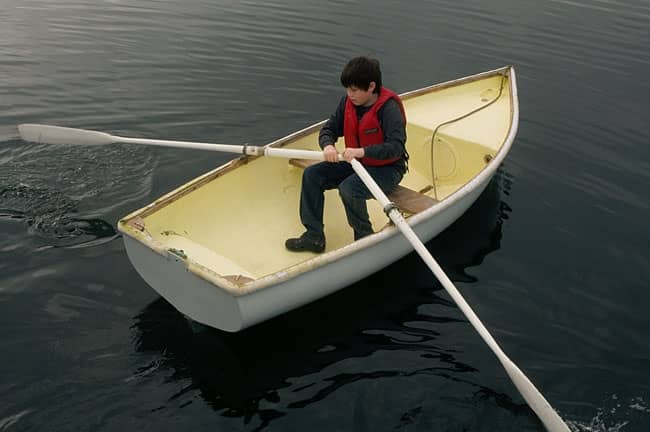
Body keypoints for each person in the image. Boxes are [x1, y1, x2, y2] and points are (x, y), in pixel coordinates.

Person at [285, 56, 408, 253]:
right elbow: (329, 129)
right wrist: (328, 146)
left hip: (387, 168)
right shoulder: (347, 104)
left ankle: (365, 239)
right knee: (312, 175)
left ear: (371, 87)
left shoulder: (388, 109)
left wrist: (362, 151)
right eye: (347, 89)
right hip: (356, 162)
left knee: (349, 189)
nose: (349, 94)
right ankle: (314, 236)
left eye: (354, 90)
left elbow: (396, 147)